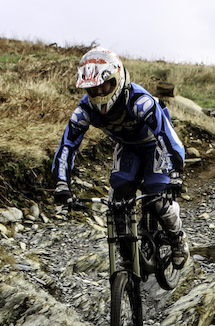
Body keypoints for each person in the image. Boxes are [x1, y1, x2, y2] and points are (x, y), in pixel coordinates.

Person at [52, 48, 190, 268]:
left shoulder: (140, 102)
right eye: (91, 89)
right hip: (127, 148)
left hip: (155, 145)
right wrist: (61, 183)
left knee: (159, 196)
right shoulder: (85, 110)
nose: (98, 93)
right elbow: (68, 145)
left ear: (116, 78)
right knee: (117, 200)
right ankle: (126, 254)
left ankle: (177, 238)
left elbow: (167, 135)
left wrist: (176, 174)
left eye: (102, 86)